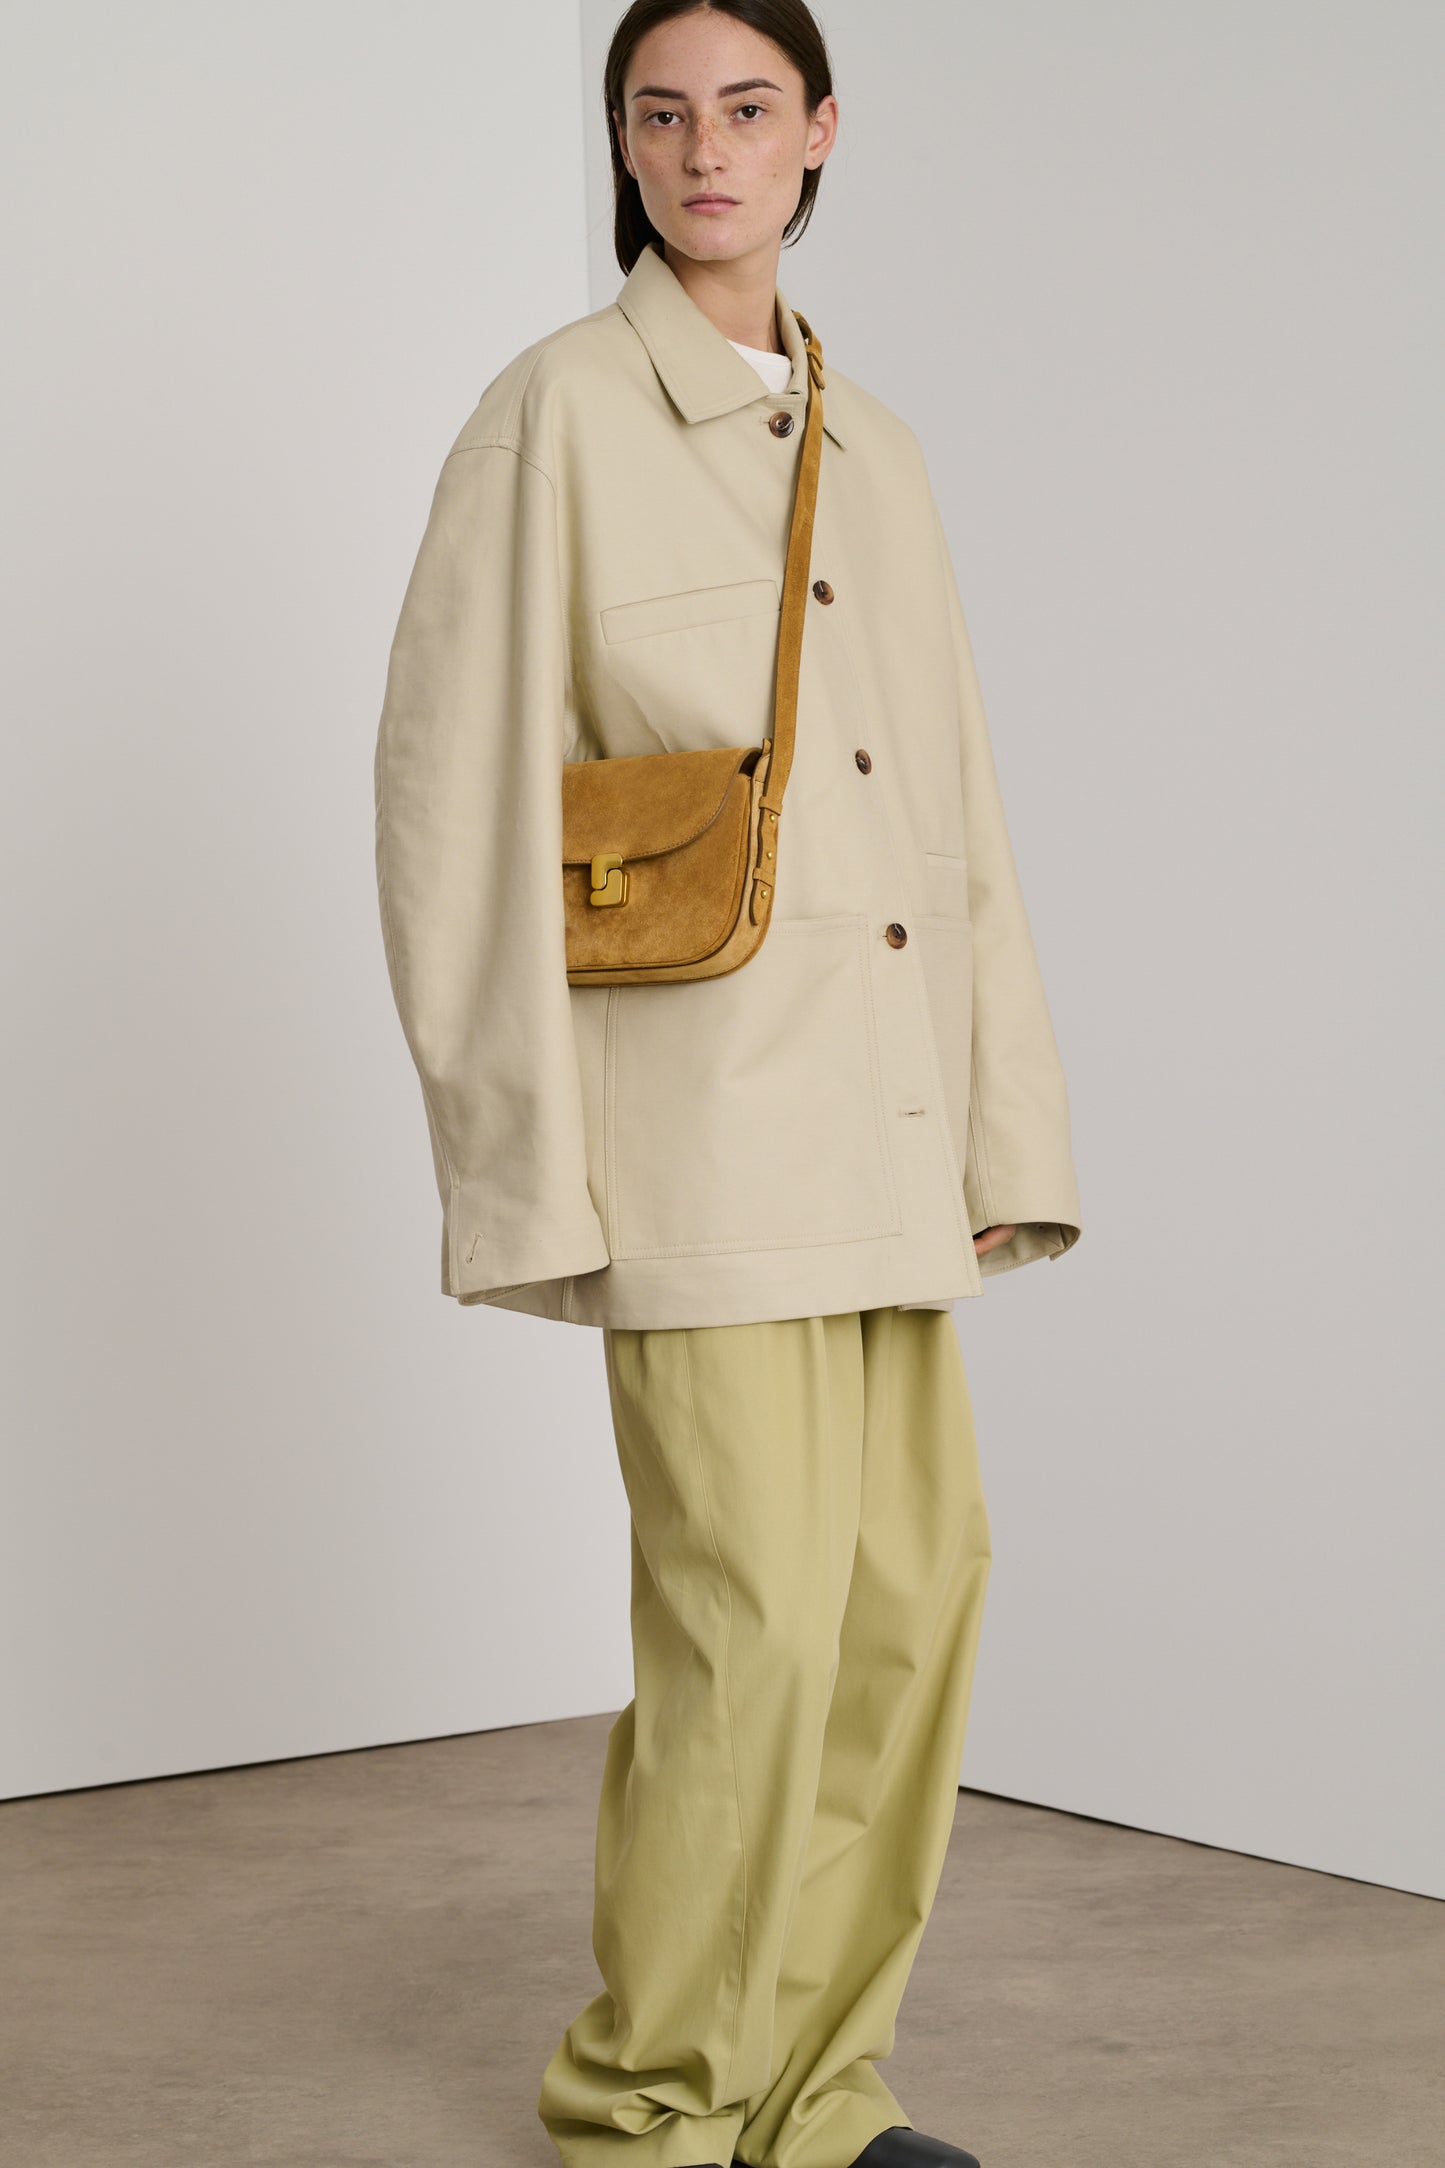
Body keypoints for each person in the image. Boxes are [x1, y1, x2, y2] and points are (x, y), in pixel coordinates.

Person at [373, 4, 1082, 2164]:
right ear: (624, 144)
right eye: (662, 113)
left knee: (908, 1615)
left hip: (887, 1135)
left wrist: (1001, 1133)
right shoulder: (554, 416)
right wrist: (524, 1172)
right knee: (749, 1630)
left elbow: (954, 809)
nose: (704, 149)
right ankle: (655, 2109)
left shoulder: (883, 451)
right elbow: (453, 811)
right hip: (696, 1141)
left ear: (820, 134)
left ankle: (819, 2093)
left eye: (747, 110)